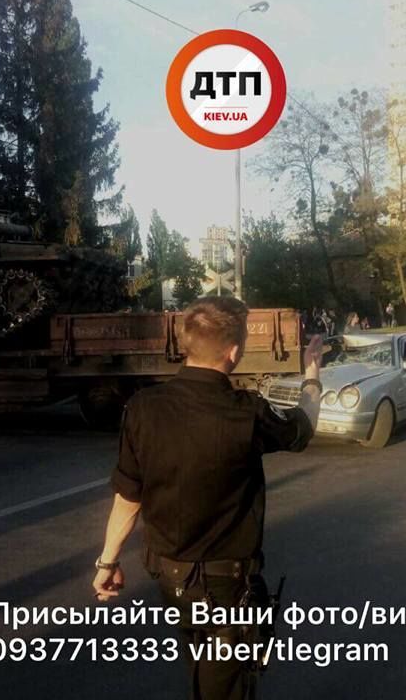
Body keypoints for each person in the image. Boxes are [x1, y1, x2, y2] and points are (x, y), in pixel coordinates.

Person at [92, 297, 323, 700]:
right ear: (233, 352)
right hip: (227, 586)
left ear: (187, 343)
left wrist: (107, 561)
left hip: (170, 579)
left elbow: (128, 496)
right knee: (225, 685)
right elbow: (302, 428)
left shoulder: (143, 407)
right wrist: (312, 377)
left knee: (202, 667)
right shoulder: (247, 412)